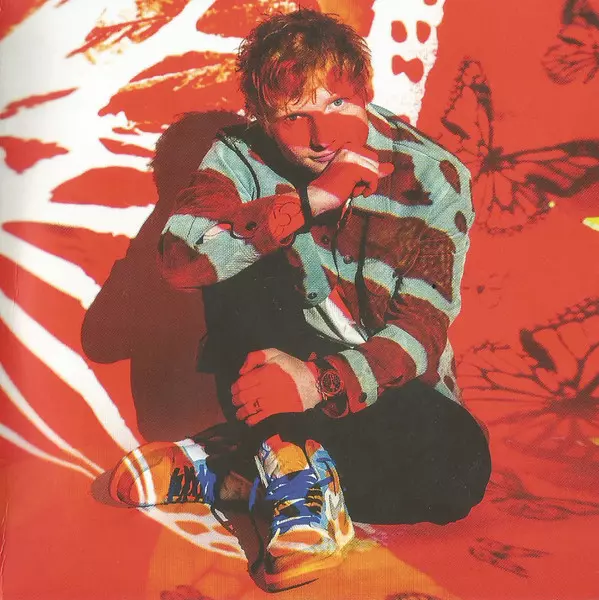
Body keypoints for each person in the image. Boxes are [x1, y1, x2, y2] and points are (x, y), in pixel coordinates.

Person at [108, 9, 491, 591]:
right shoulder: (239, 156)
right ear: (262, 117)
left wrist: (317, 382)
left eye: (338, 104)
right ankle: (292, 476)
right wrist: (310, 202)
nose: (323, 136)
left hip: (373, 387)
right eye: (295, 115)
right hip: (264, 358)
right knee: (235, 250)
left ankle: (243, 468)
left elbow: (420, 332)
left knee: (462, 470)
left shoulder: (436, 176)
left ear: (365, 92)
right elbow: (182, 263)